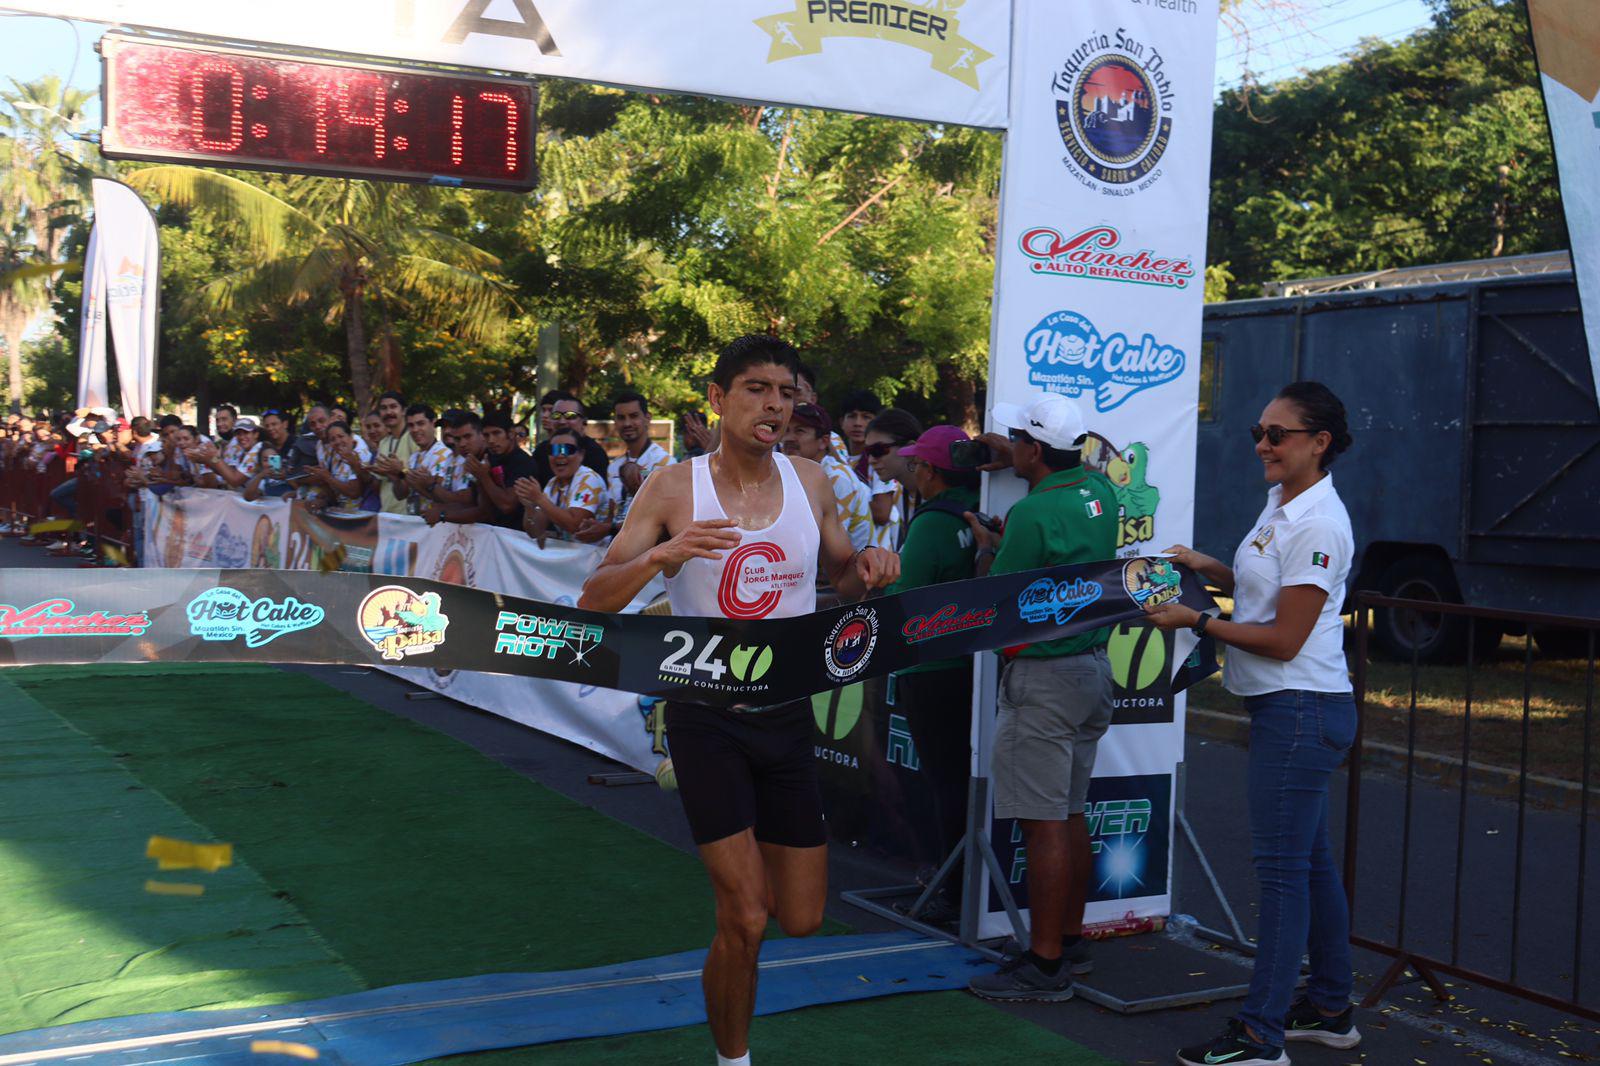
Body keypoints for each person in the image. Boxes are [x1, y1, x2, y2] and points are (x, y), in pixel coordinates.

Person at [579, 334, 899, 1066]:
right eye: (757, 389)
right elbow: (594, 599)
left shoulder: (811, 481)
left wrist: (873, 567)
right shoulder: (672, 488)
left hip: (788, 720)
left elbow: (844, 578)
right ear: (719, 399)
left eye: (786, 393)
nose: (774, 406)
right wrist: (661, 555)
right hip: (705, 722)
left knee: (802, 919)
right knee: (746, 916)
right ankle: (734, 1060)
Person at [1147, 382, 1359, 1066]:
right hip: (1293, 709)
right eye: (1257, 432)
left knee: (1284, 876)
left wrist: (1197, 620)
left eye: (1277, 434)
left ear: (1319, 443)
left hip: (1300, 709)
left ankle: (1262, 1036)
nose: (1262, 445)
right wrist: (1205, 566)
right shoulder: (1284, 502)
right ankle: (1330, 1008)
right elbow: (1270, 592)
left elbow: (1286, 639)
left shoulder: (1317, 523)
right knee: (1309, 867)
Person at [963, 392, 1119, 1003]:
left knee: (1044, 822)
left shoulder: (1030, 514)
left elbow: (998, 598)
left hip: (1046, 677)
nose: (1009, 447)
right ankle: (1068, 941)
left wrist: (986, 546)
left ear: (1033, 449)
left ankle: (1046, 963)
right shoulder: (1100, 489)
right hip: (1092, 669)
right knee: (1070, 811)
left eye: (1015, 440)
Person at [883, 424, 981, 918]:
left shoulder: (932, 523)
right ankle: (964, 886)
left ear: (930, 471)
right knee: (965, 777)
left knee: (946, 781)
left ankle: (953, 891)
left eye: (916, 463)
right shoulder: (981, 507)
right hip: (975, 664)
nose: (913, 471)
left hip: (933, 664)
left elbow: (903, 594)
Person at [783, 402, 872, 552]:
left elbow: (829, 547)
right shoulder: (789, 470)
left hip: (853, 564)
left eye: (799, 431)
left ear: (824, 441)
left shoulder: (837, 478)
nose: (789, 438)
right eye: (786, 430)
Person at [591, 389, 675, 540]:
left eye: (634, 416)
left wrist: (609, 529)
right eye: (621, 418)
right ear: (615, 422)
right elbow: (613, 513)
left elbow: (662, 515)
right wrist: (595, 527)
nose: (627, 423)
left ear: (647, 418)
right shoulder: (614, 467)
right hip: (618, 545)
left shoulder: (664, 462)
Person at [515, 426, 609, 540]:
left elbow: (576, 526)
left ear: (581, 455)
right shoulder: (552, 483)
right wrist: (529, 507)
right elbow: (535, 532)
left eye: (567, 449)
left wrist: (539, 498)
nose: (560, 455)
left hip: (597, 550)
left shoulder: (589, 479)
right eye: (554, 450)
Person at [861, 408, 922, 549]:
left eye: (878, 450)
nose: (871, 460)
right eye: (867, 452)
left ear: (910, 448)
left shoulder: (935, 490)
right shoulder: (902, 493)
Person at [474, 412, 541, 529]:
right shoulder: (488, 458)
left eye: (496, 433)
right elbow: (481, 505)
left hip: (517, 534)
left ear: (510, 434)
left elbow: (507, 505)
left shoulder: (523, 462)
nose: (491, 440)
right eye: (486, 435)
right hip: (492, 531)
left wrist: (483, 476)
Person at [530, 392, 610, 485]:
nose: (562, 421)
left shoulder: (595, 454)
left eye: (570, 416)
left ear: (584, 421)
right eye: (556, 415)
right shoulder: (541, 451)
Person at [370, 391, 419, 514]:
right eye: (383, 408)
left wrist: (400, 471)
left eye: (393, 406)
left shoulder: (413, 437)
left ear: (403, 411)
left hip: (408, 514)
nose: (388, 412)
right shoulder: (384, 442)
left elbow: (420, 476)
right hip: (386, 512)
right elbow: (379, 482)